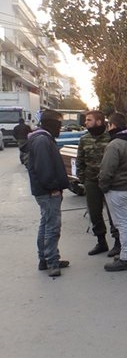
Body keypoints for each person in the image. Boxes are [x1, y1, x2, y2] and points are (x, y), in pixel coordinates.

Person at [26, 109, 70, 277]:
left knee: (45, 224)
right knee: (52, 227)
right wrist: (53, 188)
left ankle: (45, 259)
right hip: (48, 191)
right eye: (59, 124)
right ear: (52, 124)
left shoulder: (42, 138)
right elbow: (44, 168)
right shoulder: (43, 141)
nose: (60, 128)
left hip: (44, 190)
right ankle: (52, 261)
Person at [98, 113, 127, 272]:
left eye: (108, 125)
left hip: (118, 190)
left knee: (123, 224)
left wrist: (103, 186)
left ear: (112, 126)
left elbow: (106, 170)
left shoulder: (114, 145)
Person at [76, 110, 120, 257]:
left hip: (109, 182)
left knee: (114, 214)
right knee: (94, 214)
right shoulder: (84, 139)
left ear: (99, 122)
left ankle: (118, 243)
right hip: (91, 182)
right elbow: (80, 160)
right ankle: (101, 242)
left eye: (89, 120)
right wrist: (83, 178)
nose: (85, 122)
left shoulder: (111, 138)